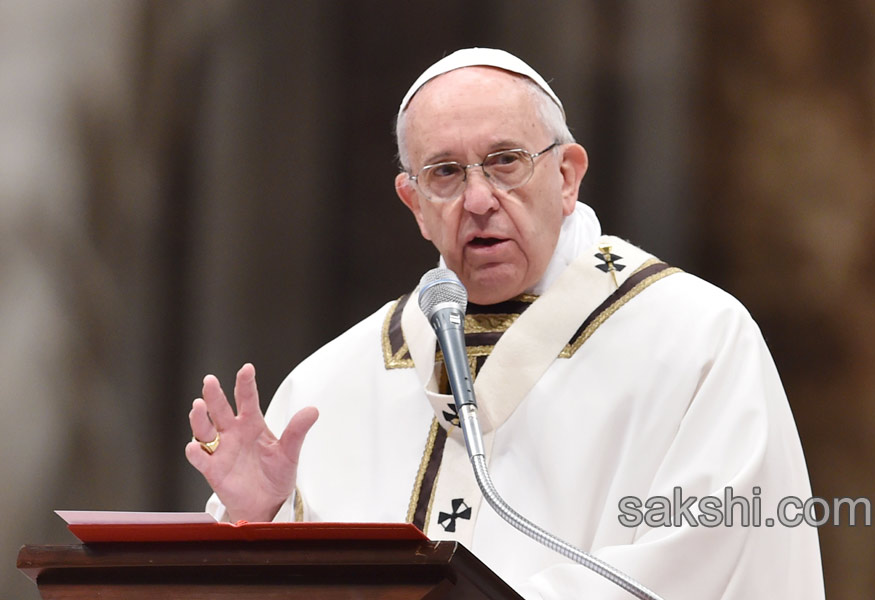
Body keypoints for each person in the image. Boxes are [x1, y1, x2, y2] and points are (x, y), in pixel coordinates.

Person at [186, 48, 825, 599]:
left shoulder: (696, 341)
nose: (479, 199)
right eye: (444, 173)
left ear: (567, 174)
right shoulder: (333, 384)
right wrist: (264, 518)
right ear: (412, 200)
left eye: (505, 162)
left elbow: (714, 557)